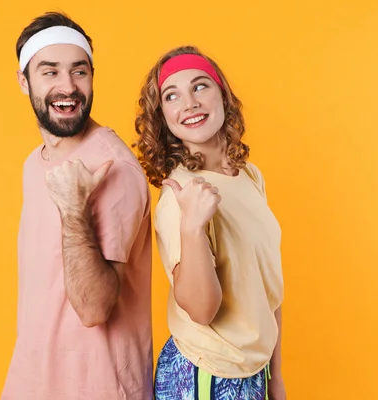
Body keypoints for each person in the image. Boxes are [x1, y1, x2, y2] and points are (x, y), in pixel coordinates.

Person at [2, 12, 153, 400]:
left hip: (98, 387)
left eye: (79, 71)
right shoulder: (35, 164)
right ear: (24, 81)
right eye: (50, 72)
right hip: (33, 381)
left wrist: (73, 208)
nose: (67, 87)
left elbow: (94, 309)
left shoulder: (112, 167)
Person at [134, 46, 286, 400]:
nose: (189, 103)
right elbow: (202, 310)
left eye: (200, 86)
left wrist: (275, 378)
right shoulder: (181, 195)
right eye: (172, 96)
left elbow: (268, 289)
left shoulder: (249, 176)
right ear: (164, 117)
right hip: (206, 375)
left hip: (253, 371)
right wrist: (191, 227)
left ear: (223, 95)